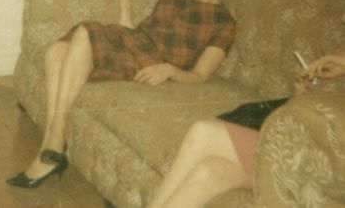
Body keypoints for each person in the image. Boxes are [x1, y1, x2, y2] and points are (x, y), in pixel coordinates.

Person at [8, 0, 245, 188]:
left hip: (153, 61)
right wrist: (125, 14)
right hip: (133, 41)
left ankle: (55, 140)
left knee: (86, 31)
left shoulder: (223, 23)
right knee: (55, 51)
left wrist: (169, 70)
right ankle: (50, 148)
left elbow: (200, 74)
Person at [148, 34, 345, 208]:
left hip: (309, 158)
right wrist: (302, 95)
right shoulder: (338, 56)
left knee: (203, 132)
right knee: (209, 172)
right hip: (293, 137)